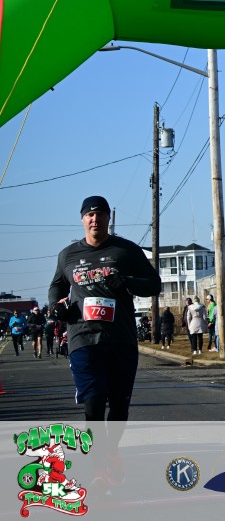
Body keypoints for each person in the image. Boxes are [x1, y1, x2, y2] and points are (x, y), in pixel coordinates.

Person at [48, 195, 162, 481]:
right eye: (90, 215)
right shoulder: (68, 255)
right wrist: (55, 307)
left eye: (100, 214)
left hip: (120, 338)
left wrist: (128, 281)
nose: (95, 219)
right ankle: (99, 465)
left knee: (119, 404)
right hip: (82, 337)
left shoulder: (126, 250)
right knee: (94, 401)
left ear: (108, 218)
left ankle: (110, 450)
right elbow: (56, 286)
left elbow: (154, 284)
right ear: (82, 219)